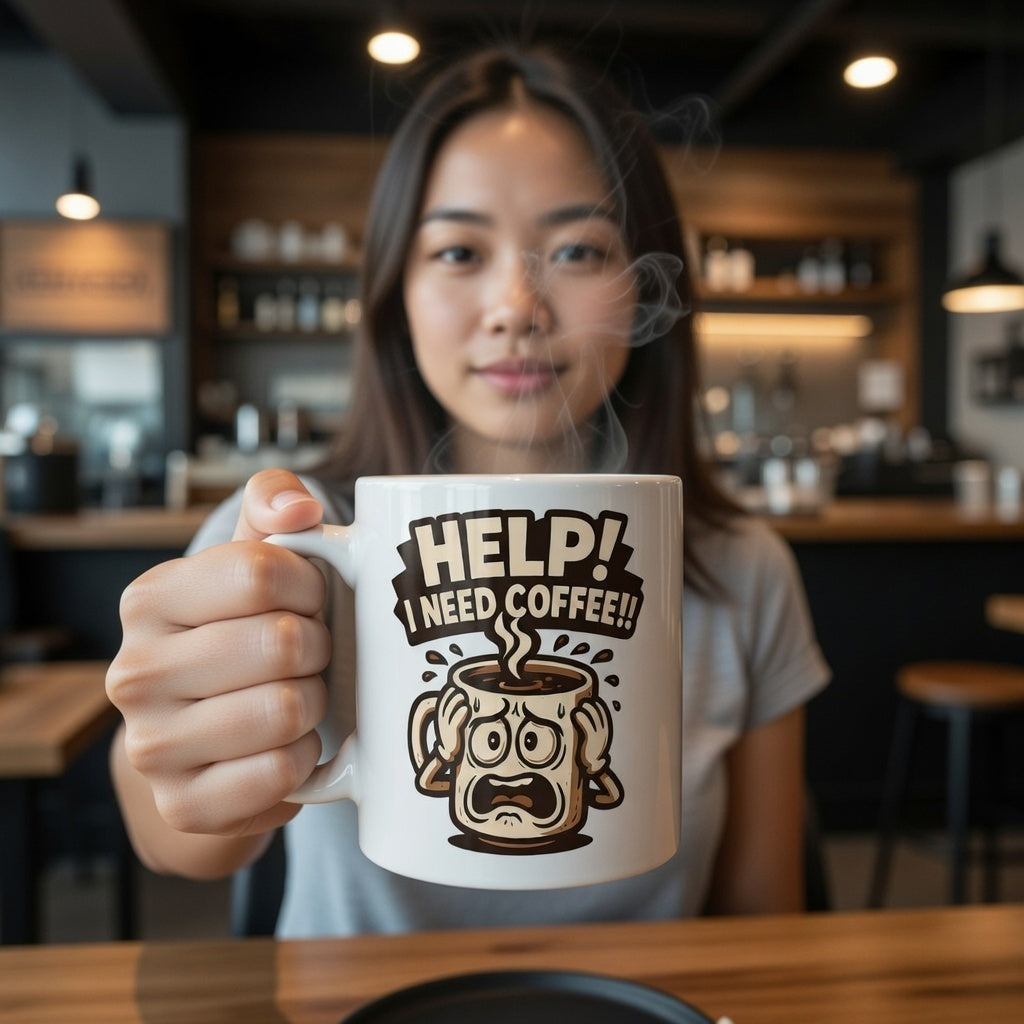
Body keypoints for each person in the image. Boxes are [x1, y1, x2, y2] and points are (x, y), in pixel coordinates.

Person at [106, 44, 830, 936]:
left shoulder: (743, 569)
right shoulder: (284, 541)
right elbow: (169, 838)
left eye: (577, 248)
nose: (516, 305)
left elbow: (764, 925)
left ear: (642, 278)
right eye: (457, 249)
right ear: (393, 296)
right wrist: (187, 767)